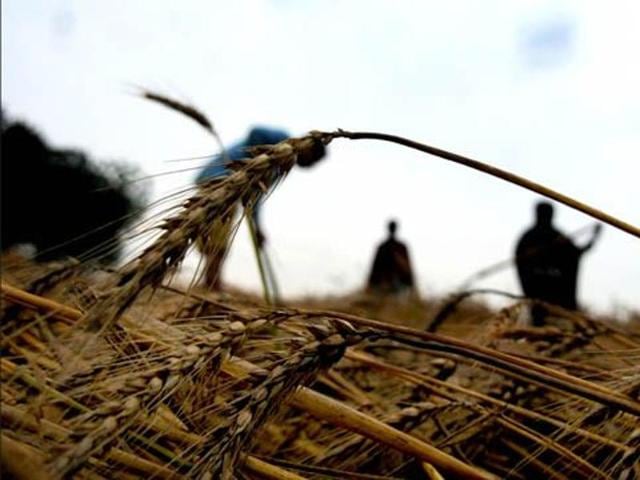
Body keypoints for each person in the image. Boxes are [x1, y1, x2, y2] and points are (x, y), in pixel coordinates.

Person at [195, 125, 326, 290]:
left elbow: (256, 197)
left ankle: (211, 281)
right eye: (313, 160)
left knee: (216, 237)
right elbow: (255, 132)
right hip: (219, 179)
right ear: (308, 147)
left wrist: (257, 227)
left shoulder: (280, 167)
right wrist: (252, 169)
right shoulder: (283, 140)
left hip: (228, 189)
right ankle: (211, 283)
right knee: (216, 239)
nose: (310, 166)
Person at [515, 201, 602, 325]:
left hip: (558, 299)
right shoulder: (528, 238)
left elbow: (575, 255)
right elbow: (520, 263)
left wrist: (594, 237)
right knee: (537, 329)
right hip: (537, 297)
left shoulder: (559, 239)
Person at [367, 220, 415, 296]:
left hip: (395, 284)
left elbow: (408, 269)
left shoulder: (397, 247)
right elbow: (375, 267)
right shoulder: (398, 247)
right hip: (385, 284)